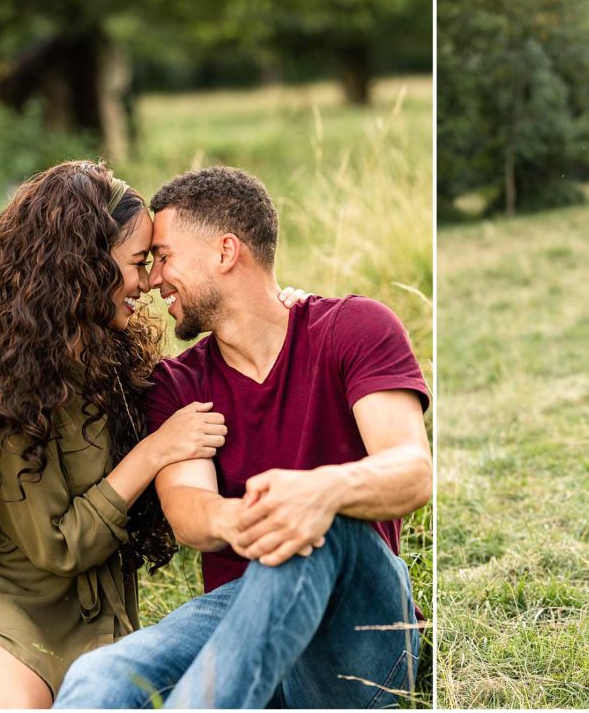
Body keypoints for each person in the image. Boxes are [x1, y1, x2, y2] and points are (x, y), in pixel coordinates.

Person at [53, 166, 432, 709]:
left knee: (318, 529)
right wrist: (256, 514)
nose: (155, 279)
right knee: (100, 677)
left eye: (164, 256)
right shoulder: (177, 384)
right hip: (240, 612)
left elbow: (412, 470)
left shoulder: (356, 328)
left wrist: (316, 494)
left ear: (226, 252)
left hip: (361, 629)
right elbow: (190, 512)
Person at [0, 162, 230, 707]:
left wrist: (276, 318)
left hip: (96, 613)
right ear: (84, 268)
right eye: (138, 263)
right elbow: (57, 546)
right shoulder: (8, 387)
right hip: (9, 603)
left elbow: (204, 380)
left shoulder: (115, 352)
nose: (148, 282)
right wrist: (153, 451)